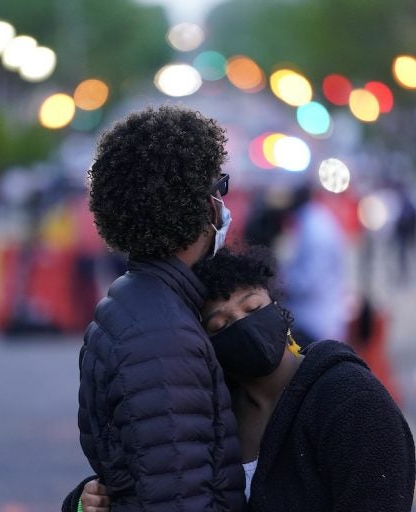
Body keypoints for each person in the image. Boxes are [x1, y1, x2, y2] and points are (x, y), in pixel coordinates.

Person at [72, 246, 415, 511]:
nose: (243, 325)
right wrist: (83, 501)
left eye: (252, 309)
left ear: (279, 309)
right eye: (220, 325)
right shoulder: (208, 410)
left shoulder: (350, 400)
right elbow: (153, 482)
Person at [67, 106, 246, 511]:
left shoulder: (132, 302)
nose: (221, 203)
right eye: (218, 188)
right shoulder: (164, 337)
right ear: (196, 206)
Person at [278, 183, 349, 344]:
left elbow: (309, 282)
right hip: (320, 316)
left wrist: (279, 283)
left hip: (314, 321)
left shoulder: (313, 227)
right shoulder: (315, 218)